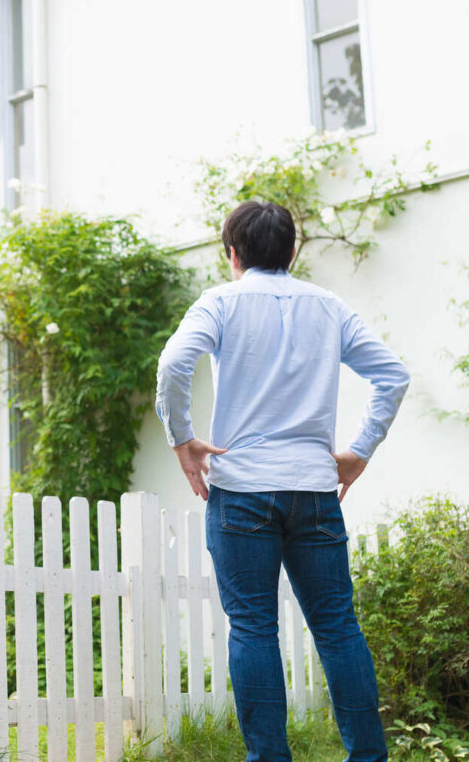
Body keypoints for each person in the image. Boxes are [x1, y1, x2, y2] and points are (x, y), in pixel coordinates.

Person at [155, 200, 409, 762]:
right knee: (338, 627)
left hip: (242, 489)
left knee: (252, 628)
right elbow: (393, 376)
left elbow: (173, 365)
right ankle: (369, 757)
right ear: (292, 251)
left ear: (233, 254)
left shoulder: (219, 301)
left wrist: (183, 440)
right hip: (315, 489)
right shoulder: (330, 306)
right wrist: (358, 452)